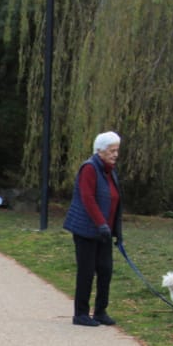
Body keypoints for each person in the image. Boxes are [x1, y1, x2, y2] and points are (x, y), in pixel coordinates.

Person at [63, 131, 124, 326]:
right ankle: (80, 314)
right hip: (87, 230)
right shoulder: (89, 168)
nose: (115, 154)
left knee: (105, 270)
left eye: (117, 151)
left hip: (104, 231)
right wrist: (101, 224)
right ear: (100, 151)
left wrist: (116, 232)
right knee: (87, 271)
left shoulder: (109, 170)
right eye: (111, 151)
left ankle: (100, 311)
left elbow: (115, 201)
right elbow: (87, 199)